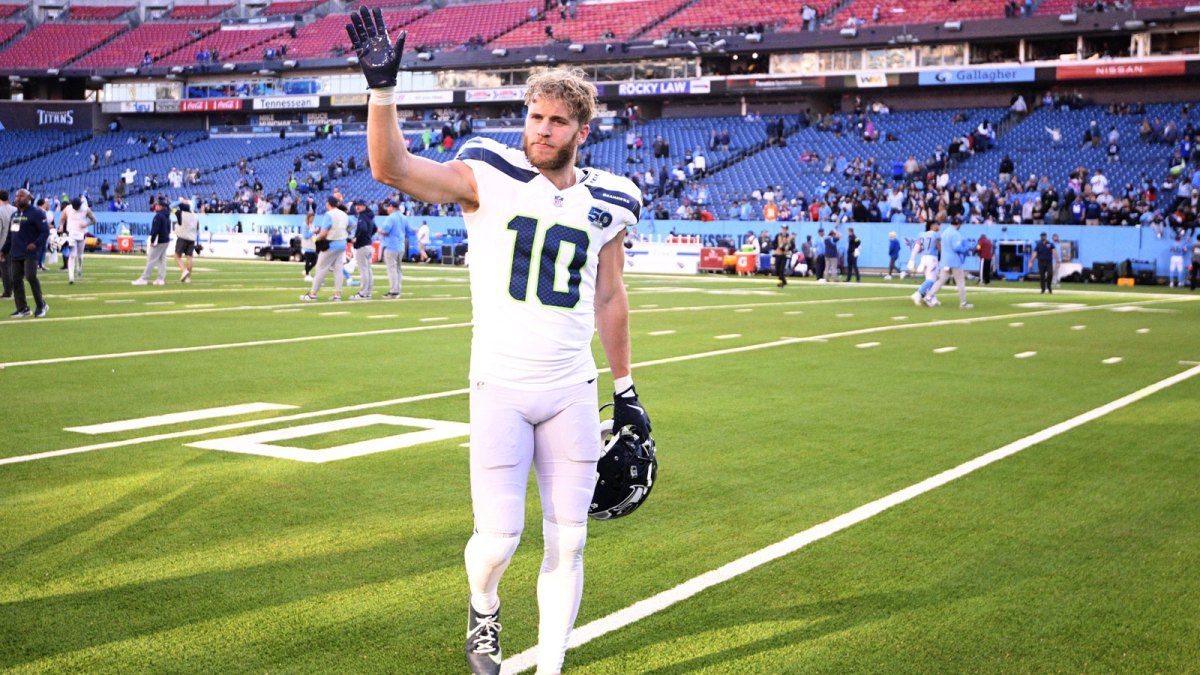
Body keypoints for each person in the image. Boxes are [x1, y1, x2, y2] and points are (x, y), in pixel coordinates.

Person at [348, 10, 651, 674]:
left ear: (582, 131)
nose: (541, 130)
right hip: (500, 387)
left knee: (568, 542)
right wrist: (380, 92)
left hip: (572, 386)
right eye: (535, 117)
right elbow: (392, 167)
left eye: (556, 121)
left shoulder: (615, 200)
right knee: (498, 539)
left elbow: (609, 295)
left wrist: (626, 391)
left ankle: (550, 666)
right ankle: (483, 605)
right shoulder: (488, 170)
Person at [3, 189, 49, 318]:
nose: (18, 198)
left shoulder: (37, 213)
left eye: (21, 196)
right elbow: (10, 236)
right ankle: (22, 309)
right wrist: (3, 251)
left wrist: (35, 244)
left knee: (30, 276)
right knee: (15, 280)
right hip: (15, 252)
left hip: (30, 253)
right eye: (17, 196)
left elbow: (44, 232)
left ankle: (41, 305)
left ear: (29, 198)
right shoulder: (14, 215)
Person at [300, 195, 349, 301]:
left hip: (331, 244)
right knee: (338, 270)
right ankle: (337, 294)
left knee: (321, 268)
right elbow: (350, 226)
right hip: (342, 243)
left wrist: (318, 239)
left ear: (328, 204)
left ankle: (312, 293)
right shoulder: (344, 214)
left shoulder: (329, 214)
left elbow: (323, 233)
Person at [923, 217, 973, 309]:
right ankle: (963, 303)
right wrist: (966, 249)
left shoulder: (945, 232)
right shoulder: (955, 234)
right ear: (958, 224)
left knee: (941, 280)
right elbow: (956, 247)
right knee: (960, 282)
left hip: (945, 261)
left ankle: (929, 296)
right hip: (954, 261)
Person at [132, 198, 172, 286]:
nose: (155, 206)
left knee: (151, 259)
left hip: (159, 240)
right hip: (166, 240)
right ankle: (161, 279)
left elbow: (155, 230)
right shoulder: (167, 216)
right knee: (162, 260)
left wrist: (152, 241)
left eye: (157, 205)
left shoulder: (158, 216)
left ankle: (144, 278)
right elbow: (169, 229)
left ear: (161, 206)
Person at [376, 199, 410, 298]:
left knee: (392, 269)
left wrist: (377, 230)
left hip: (391, 245)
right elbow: (408, 230)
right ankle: (397, 289)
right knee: (398, 269)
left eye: (388, 207)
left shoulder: (391, 218)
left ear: (392, 207)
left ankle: (393, 291)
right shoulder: (404, 217)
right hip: (401, 246)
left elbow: (385, 231)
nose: (387, 209)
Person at [59, 196, 95, 284]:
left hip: (82, 234)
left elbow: (93, 220)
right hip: (71, 233)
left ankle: (79, 268)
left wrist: (86, 225)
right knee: (72, 255)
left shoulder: (86, 209)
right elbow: (62, 219)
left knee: (80, 255)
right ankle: (71, 277)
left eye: (77, 207)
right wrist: (61, 226)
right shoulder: (67, 209)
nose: (76, 208)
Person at [350, 199, 377, 299]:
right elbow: (374, 228)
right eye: (356, 205)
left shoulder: (362, 216)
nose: (357, 207)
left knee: (364, 271)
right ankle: (368, 291)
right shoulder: (369, 216)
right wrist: (368, 236)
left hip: (362, 246)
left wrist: (357, 239)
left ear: (365, 206)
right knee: (368, 270)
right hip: (369, 245)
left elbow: (363, 229)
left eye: (360, 205)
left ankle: (363, 293)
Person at [910, 220, 941, 305]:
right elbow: (939, 248)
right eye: (936, 224)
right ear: (932, 225)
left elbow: (916, 248)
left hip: (923, 257)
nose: (938, 226)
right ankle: (918, 293)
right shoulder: (936, 235)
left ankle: (931, 298)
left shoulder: (921, 234)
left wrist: (912, 259)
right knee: (931, 280)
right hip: (932, 258)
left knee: (930, 279)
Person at [174, 201, 199, 283]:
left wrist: (179, 201)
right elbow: (197, 229)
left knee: (177, 256)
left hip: (182, 237)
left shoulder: (179, 213)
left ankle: (184, 270)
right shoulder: (195, 216)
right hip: (192, 239)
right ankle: (189, 278)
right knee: (189, 257)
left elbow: (171, 207)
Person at [0, 190, 17, 298]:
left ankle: (8, 291)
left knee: (5, 268)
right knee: (11, 267)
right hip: (14, 242)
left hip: (2, 243)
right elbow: (16, 228)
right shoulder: (15, 210)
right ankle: (12, 288)